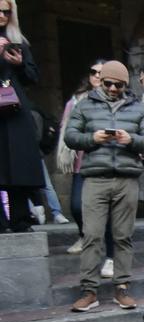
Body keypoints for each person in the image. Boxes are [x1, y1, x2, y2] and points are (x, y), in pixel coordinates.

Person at [64, 60, 144, 312]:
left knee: (123, 236)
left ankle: (122, 287)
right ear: (100, 81)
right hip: (94, 178)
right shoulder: (85, 105)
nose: (114, 88)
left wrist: (131, 139)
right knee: (91, 235)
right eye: (108, 83)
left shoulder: (138, 107)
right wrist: (92, 139)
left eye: (119, 84)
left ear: (126, 84)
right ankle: (89, 291)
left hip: (127, 179)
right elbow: (70, 137)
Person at [56, 60, 116, 270]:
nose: (97, 76)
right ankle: (84, 236)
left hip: (107, 163)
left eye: (102, 73)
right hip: (83, 162)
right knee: (76, 206)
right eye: (93, 72)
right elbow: (67, 129)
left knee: (108, 213)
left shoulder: (117, 100)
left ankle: (110, 257)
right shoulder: (76, 102)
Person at [0, 0, 43, 234]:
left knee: (18, 164)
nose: (3, 15)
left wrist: (17, 64)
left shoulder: (18, 41)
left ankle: (20, 219)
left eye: (7, 11)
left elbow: (33, 77)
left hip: (14, 109)